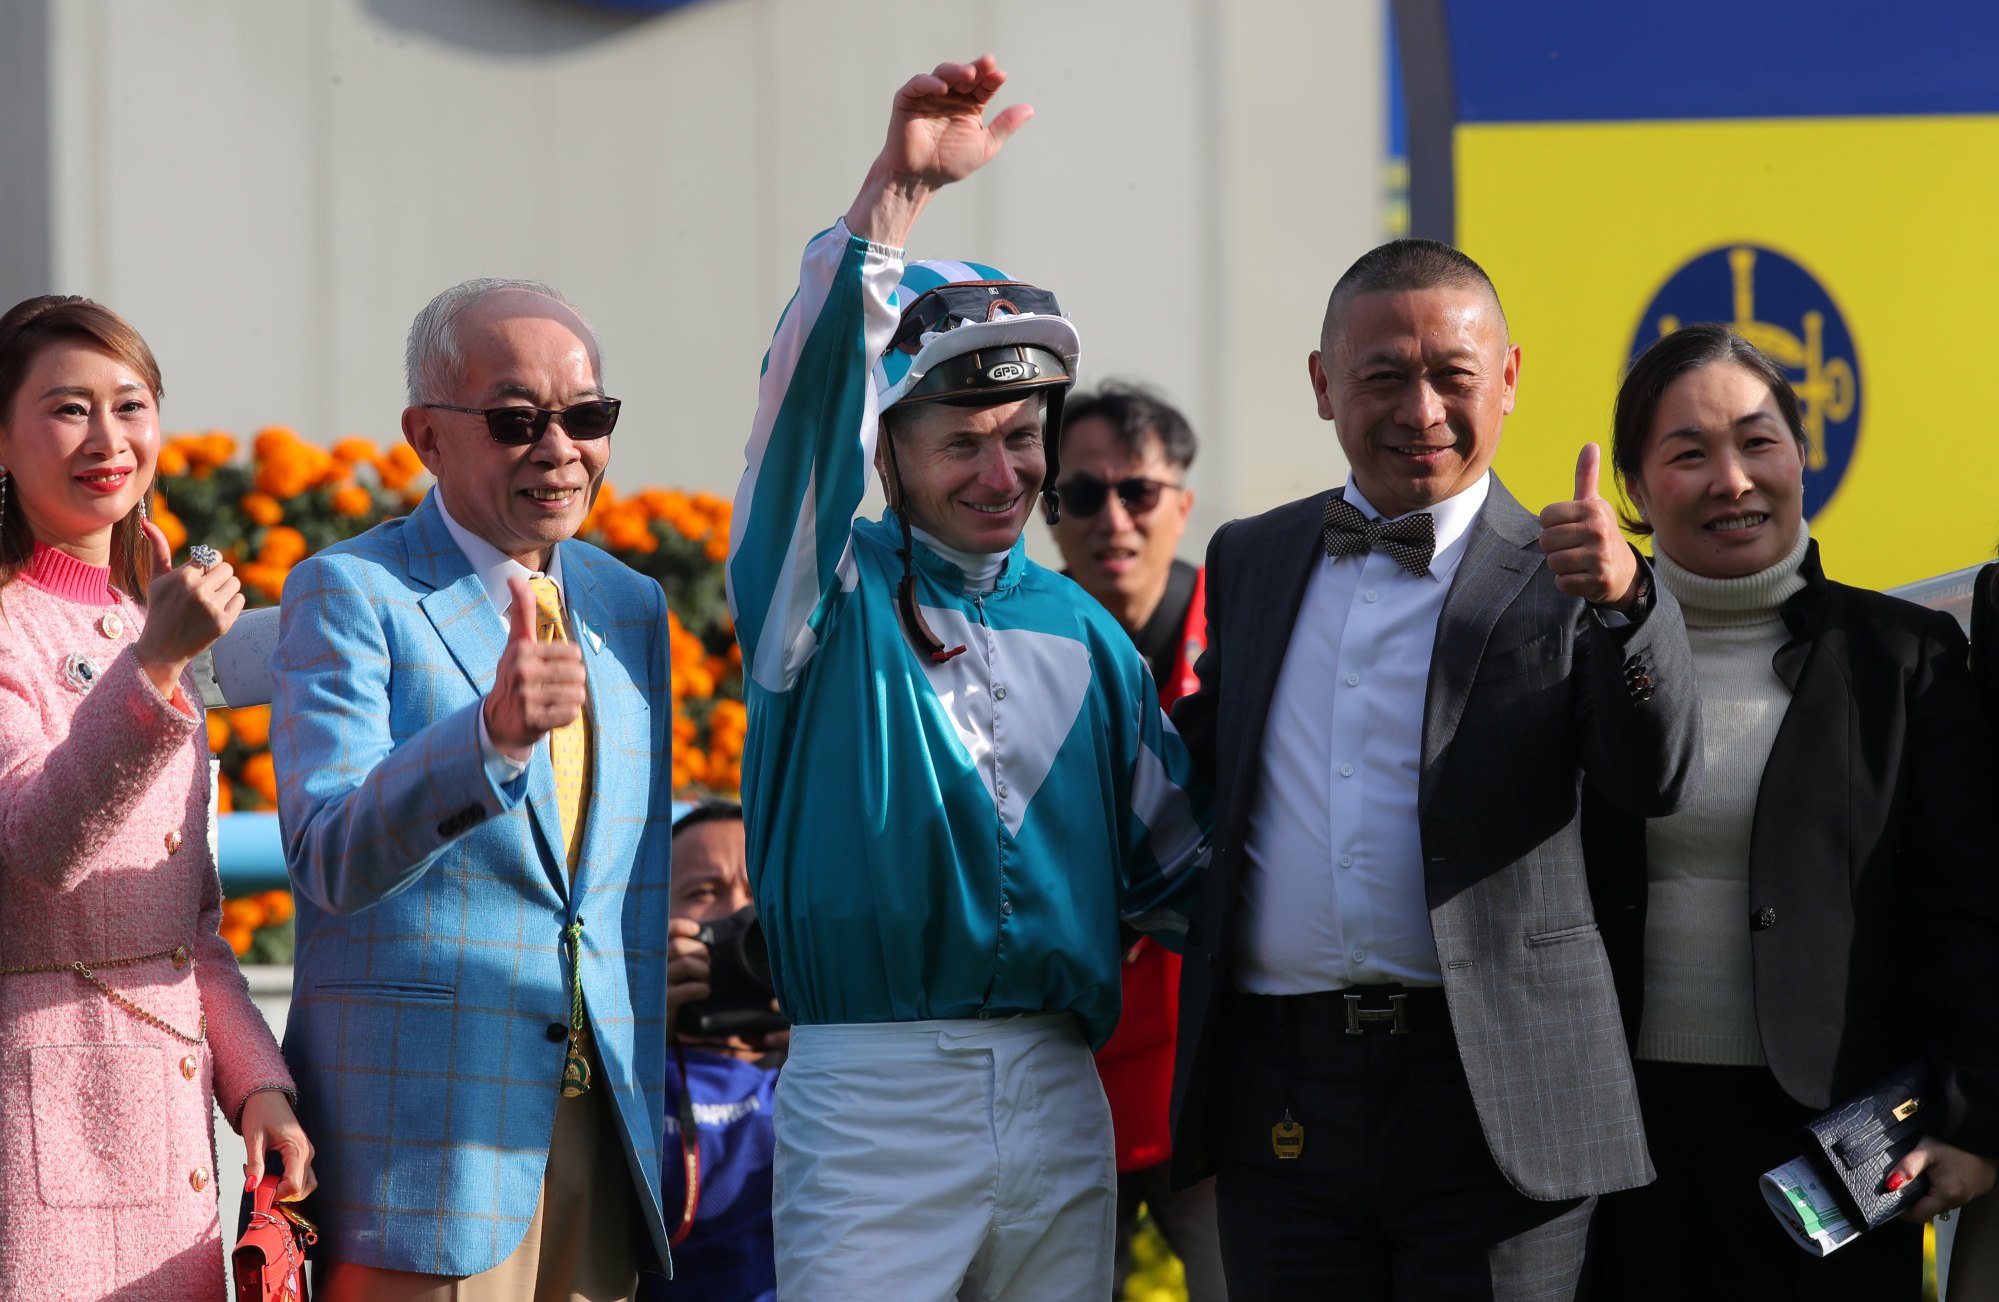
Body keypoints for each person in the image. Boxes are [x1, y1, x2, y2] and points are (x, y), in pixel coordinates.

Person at [726, 56, 1211, 1298]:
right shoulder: (816, 595)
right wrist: (893, 198)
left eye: (1022, 438)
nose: (1003, 477)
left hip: (1060, 1086)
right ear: (883, 452)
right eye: (960, 444)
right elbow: (801, 421)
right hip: (872, 1097)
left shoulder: (1088, 634)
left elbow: (1189, 880)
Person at [1167, 238, 1703, 1299]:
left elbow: (1654, 780)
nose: (1420, 410)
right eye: (1382, 377)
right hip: (1282, 1093)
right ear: (1323, 385)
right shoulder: (1251, 557)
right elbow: (1202, 761)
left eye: (1452, 375)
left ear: (1507, 378)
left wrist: (1627, 605)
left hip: (1497, 1094)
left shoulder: (1573, 569)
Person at [271, 279, 674, 1300]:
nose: (558, 449)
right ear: (426, 436)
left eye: (587, 417)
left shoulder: (628, 604)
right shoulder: (349, 591)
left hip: (600, 1139)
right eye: (515, 420)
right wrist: (487, 741)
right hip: (424, 1155)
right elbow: (328, 855)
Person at [1582, 324, 1999, 1297]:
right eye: (1689, 454)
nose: (1731, 480)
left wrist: (1974, 1119)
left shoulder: (1905, 658)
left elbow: (1966, 912)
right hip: (1612, 1144)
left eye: (1757, 442)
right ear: (1635, 488)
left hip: (1836, 1150)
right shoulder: (1574, 658)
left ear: (1800, 456)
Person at [0, 295, 314, 1297]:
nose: (109, 438)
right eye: (68, 408)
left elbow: (189, 931)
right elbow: (41, 845)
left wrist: (256, 1086)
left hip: (173, 1161)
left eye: (130, 405)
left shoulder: (147, 621)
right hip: (41, 1132)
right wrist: (157, 666)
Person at [1047, 382, 1226, 1300]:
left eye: (1138, 492)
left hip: (1219, 1078)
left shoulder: (1246, 630)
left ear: (1181, 506)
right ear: (1048, 511)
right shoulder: (1002, 644)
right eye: (1082, 495)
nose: (1111, 520)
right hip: (1065, 1081)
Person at [638, 801, 783, 1302]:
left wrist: (826, 1050)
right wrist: (638, 1035)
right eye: (704, 892)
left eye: (760, 890)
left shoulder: (830, 1061)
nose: (740, 913)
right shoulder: (617, 1073)